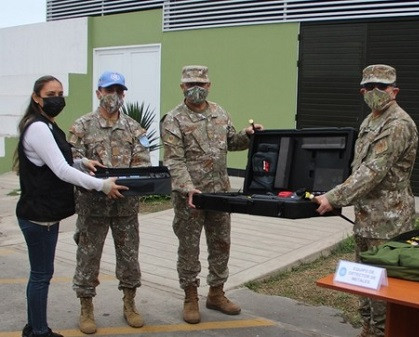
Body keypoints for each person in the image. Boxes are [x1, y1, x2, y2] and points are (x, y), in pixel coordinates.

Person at [14, 75, 126, 337]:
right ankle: (39, 331)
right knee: (41, 276)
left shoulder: (49, 125)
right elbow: (61, 170)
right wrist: (102, 185)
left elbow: (58, 162)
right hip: (38, 216)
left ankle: (33, 327)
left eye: (60, 93)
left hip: (45, 215)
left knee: (40, 274)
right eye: (51, 93)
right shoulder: (38, 127)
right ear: (36, 98)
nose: (57, 98)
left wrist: (82, 162)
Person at [314, 64, 419, 337]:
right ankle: (368, 328)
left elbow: (373, 171)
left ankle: (383, 332)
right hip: (366, 218)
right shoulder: (370, 120)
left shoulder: (398, 124)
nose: (374, 92)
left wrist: (334, 197)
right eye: (369, 87)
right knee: (365, 279)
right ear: (362, 91)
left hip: (389, 221)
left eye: (381, 87)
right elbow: (356, 166)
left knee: (383, 285)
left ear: (394, 91)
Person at [160, 65, 263, 324]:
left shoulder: (219, 112)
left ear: (209, 85)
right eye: (190, 84)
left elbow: (231, 143)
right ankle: (190, 296)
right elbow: (174, 161)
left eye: (202, 84)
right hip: (191, 197)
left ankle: (216, 293)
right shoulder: (173, 119)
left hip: (220, 193)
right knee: (189, 248)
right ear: (182, 87)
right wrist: (187, 187)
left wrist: (249, 137)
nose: (197, 89)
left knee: (221, 245)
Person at [69, 71, 152, 334]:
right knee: (88, 258)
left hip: (125, 207)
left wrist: (129, 183)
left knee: (129, 259)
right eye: (108, 90)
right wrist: (88, 171)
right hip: (92, 207)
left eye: (119, 91)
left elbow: (143, 163)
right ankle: (86, 308)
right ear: (98, 93)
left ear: (124, 94)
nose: (114, 96)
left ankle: (129, 305)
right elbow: (70, 161)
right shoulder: (81, 126)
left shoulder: (134, 128)